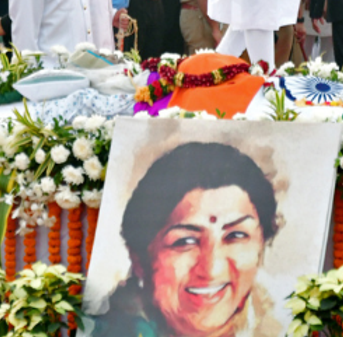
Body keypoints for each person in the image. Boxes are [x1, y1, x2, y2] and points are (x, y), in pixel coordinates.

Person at [89, 142, 280, 337]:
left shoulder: (285, 324)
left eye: (236, 236)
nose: (212, 270)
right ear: (138, 259)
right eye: (185, 242)